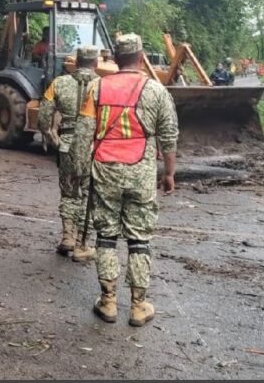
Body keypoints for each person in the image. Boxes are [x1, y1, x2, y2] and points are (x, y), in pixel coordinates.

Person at [71, 34, 179, 327]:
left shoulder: (96, 87)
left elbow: (83, 134)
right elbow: (169, 137)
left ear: (115, 59)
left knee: (106, 236)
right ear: (142, 57)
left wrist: (80, 171)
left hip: (105, 170)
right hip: (141, 173)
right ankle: (138, 305)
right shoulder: (157, 91)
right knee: (139, 239)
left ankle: (107, 302)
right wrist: (169, 173)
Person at [38, 45, 99, 261]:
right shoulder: (103, 85)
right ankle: (83, 243)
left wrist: (54, 139)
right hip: (94, 148)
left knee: (69, 192)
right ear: (96, 62)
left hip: (67, 145)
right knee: (88, 195)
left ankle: (67, 237)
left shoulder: (59, 83)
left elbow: (44, 117)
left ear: (76, 62)